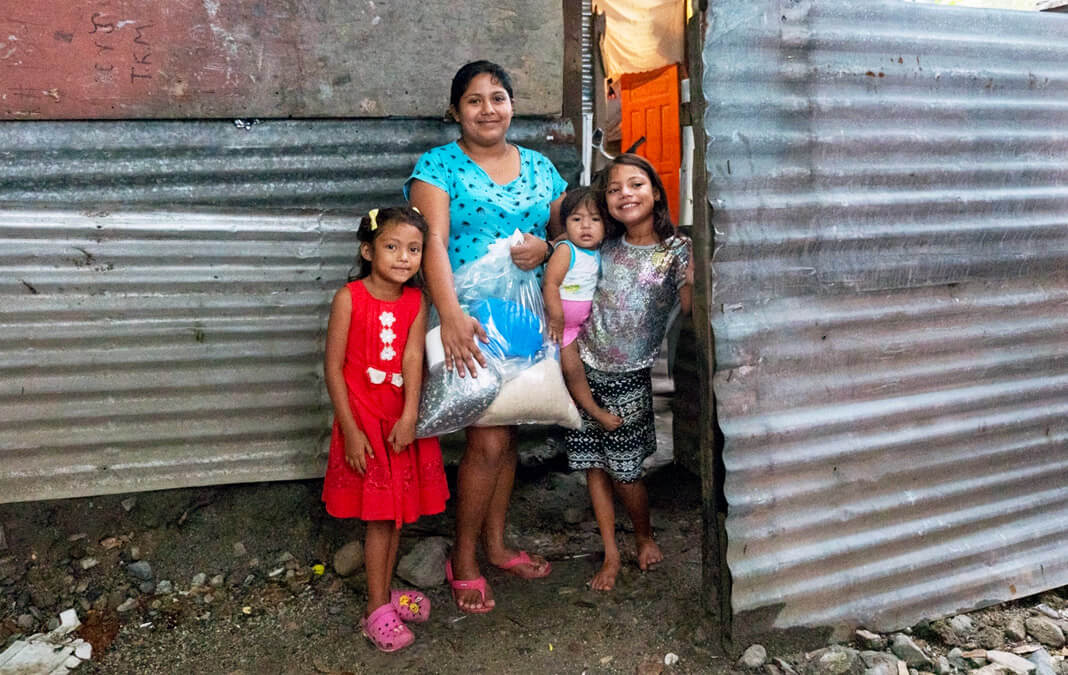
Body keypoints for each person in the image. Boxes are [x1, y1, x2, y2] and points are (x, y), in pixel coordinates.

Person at [405, 60, 564, 613]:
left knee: (510, 432)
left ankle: (496, 545)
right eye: (474, 100)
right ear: (456, 111)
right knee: (487, 439)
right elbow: (433, 243)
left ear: (512, 105)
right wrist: (448, 314)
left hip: (527, 316)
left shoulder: (542, 168)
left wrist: (547, 249)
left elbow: (569, 229)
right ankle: (464, 558)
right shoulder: (439, 165)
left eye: (498, 97)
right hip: (470, 318)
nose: (488, 109)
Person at [321, 207, 449, 652]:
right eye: (392, 247)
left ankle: (386, 592)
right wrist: (351, 431)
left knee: (396, 515)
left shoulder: (417, 301)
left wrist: (411, 415)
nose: (403, 257)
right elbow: (333, 369)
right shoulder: (349, 298)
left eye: (413, 249)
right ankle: (376, 608)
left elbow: (414, 360)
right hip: (365, 424)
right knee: (379, 519)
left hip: (398, 424)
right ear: (368, 250)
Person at [565, 154, 693, 591]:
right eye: (615, 189)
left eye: (636, 184)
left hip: (629, 376)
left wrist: (698, 282)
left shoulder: (675, 251)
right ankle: (611, 552)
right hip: (583, 369)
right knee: (594, 467)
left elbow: (691, 301)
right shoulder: (602, 243)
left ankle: (643, 533)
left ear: (655, 192)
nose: (625, 195)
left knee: (625, 471)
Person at [542, 187, 621, 431]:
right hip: (562, 327)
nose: (586, 226)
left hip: (584, 327)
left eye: (595, 219)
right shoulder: (567, 250)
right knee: (572, 369)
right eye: (577, 219)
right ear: (565, 224)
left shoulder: (601, 251)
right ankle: (594, 411)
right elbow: (550, 284)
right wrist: (556, 319)